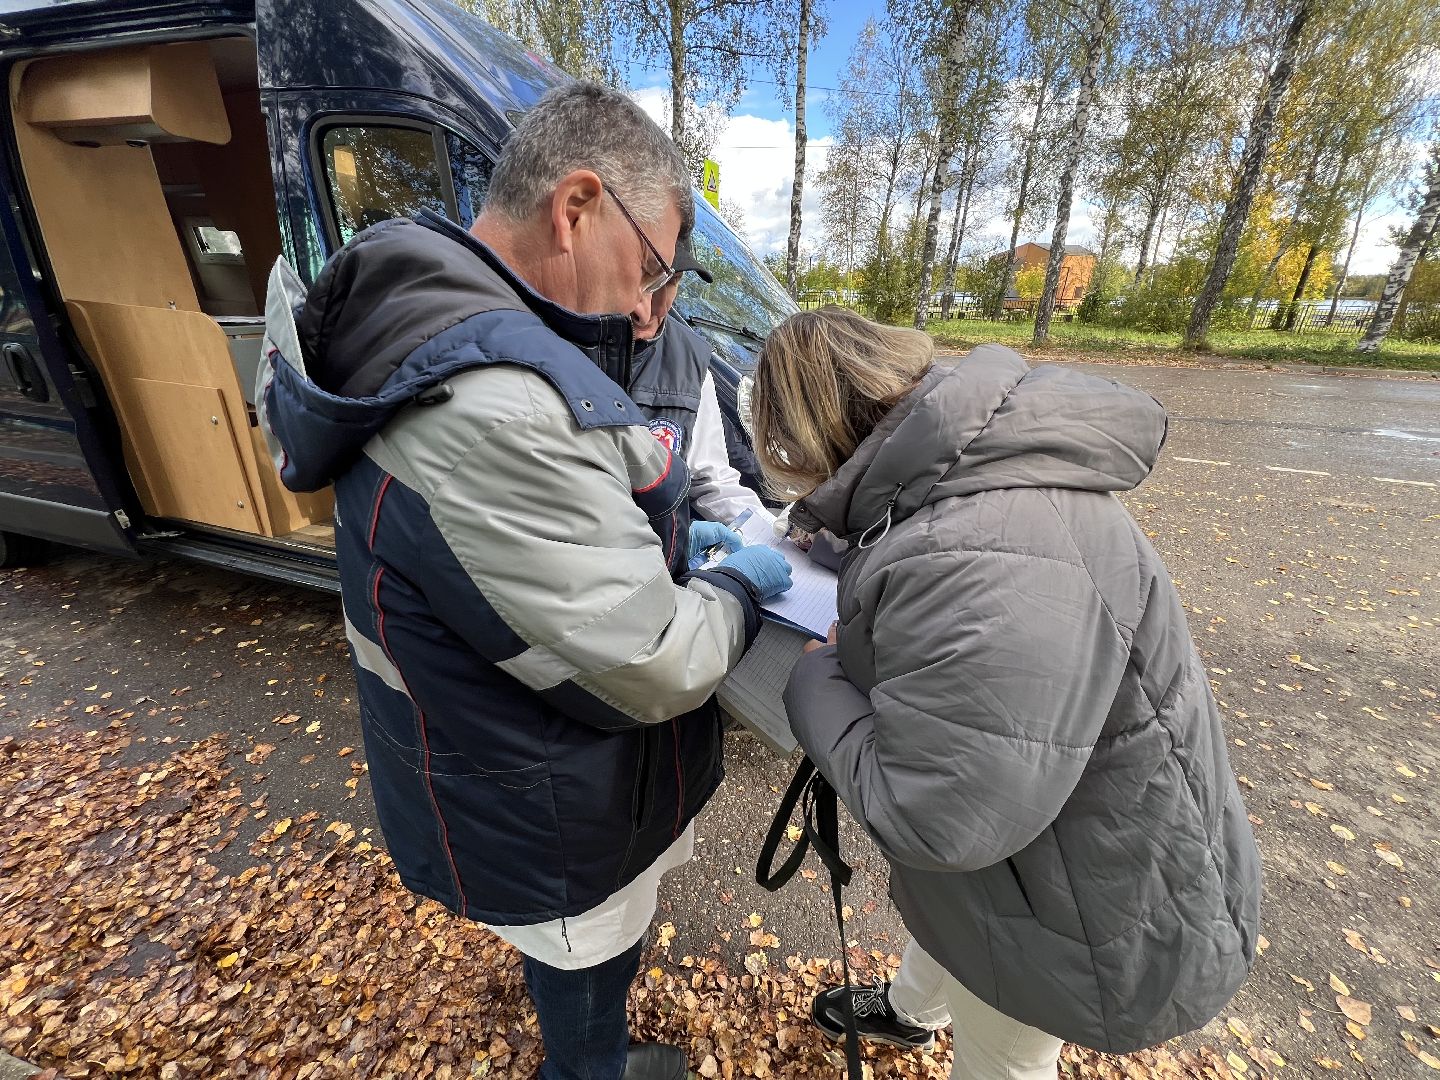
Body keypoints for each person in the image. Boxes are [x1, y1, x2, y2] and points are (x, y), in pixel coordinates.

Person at [258, 83, 792, 1080]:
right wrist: (742, 589)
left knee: (594, 967)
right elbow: (656, 658)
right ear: (577, 206)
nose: (647, 306)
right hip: (550, 804)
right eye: (649, 267)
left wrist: (679, 530)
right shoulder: (497, 405)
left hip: (535, 768)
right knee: (585, 981)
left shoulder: (458, 324)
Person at [747, 309, 1262, 1078]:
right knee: (965, 925)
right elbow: (920, 521)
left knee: (1006, 1057)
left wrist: (813, 679)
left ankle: (928, 1018)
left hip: (1075, 895)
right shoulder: (980, 458)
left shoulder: (978, 558)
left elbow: (939, 820)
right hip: (1050, 849)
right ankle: (911, 1013)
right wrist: (836, 534)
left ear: (816, 435)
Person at [628, 266, 775, 531]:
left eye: (671, 281)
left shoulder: (692, 364)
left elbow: (711, 478)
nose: (648, 309)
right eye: (645, 279)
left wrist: (770, 536)